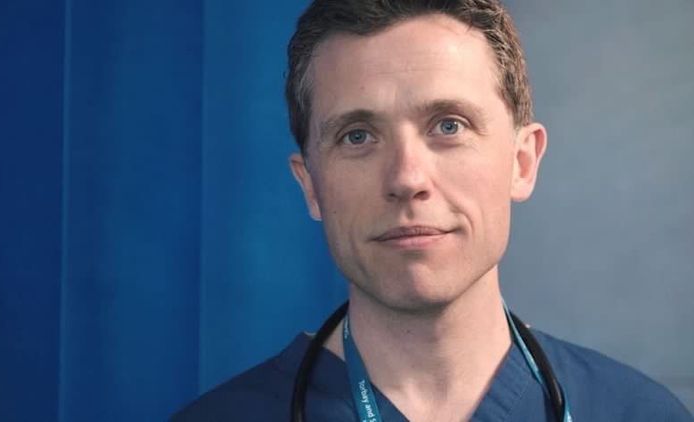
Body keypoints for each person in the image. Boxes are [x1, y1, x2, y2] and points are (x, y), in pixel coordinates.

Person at [173, 1, 693, 420]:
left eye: (449, 125)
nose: (406, 179)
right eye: (358, 136)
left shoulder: (640, 412)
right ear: (311, 186)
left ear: (521, 162)